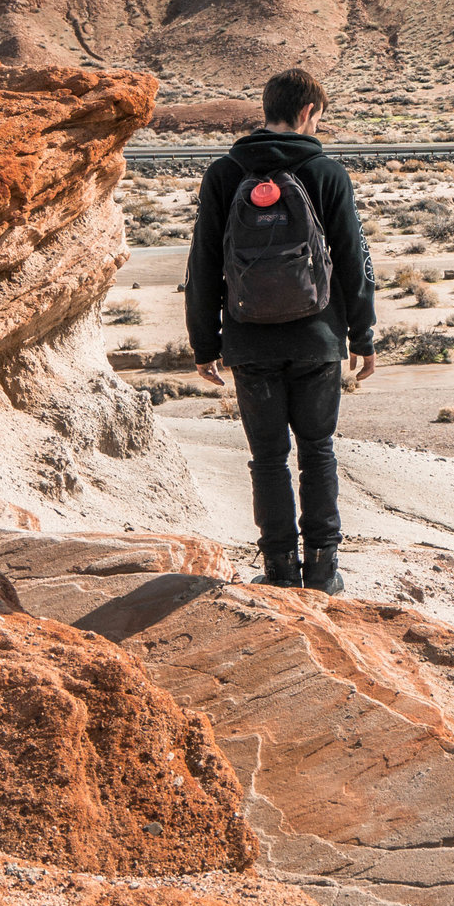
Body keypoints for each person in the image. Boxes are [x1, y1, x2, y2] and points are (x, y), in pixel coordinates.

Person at [187, 67, 377, 595]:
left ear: (265, 108)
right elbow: (355, 259)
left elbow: (202, 263)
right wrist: (363, 336)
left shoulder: (225, 174)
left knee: (267, 456)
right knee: (317, 449)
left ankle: (277, 571)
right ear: (310, 113)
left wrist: (206, 342)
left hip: (249, 342)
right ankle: (322, 569)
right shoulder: (327, 173)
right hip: (317, 340)